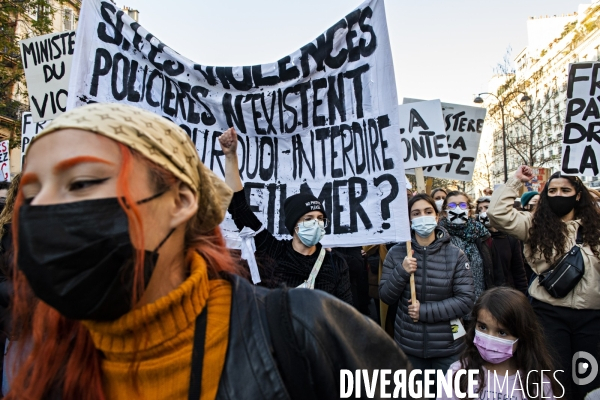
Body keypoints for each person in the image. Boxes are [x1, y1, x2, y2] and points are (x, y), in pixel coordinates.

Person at [6, 103, 413, 400]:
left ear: (180, 200)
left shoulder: (303, 327)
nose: (42, 209)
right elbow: (239, 205)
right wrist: (231, 158)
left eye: (80, 183)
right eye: (30, 193)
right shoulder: (43, 363)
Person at [488, 167, 600, 400]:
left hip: (591, 319)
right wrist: (515, 181)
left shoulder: (596, 228)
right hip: (549, 315)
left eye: (566, 190)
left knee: (589, 383)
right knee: (555, 380)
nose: (559, 194)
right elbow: (497, 213)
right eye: (553, 190)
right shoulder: (533, 225)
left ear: (578, 195)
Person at [219, 127, 352, 304]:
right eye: (308, 219)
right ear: (294, 224)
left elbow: (346, 313)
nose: (317, 224)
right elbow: (239, 207)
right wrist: (230, 157)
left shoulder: (335, 264)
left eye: (320, 219)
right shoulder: (273, 251)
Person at [380, 194, 474, 393]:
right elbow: (386, 296)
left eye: (428, 212)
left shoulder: (455, 255)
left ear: (437, 217)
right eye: (416, 213)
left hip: (448, 349)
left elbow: (466, 301)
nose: (423, 216)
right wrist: (402, 271)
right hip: (409, 348)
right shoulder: (397, 253)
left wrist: (425, 311)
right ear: (409, 220)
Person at [437, 287, 560, 400]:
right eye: (483, 327)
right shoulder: (459, 374)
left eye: (502, 332)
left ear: (522, 335)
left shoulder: (537, 384)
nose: (489, 339)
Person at [438, 191, 493, 307]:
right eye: (452, 206)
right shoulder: (438, 236)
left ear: (469, 210)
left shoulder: (481, 234)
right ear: (444, 212)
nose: (457, 209)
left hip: (480, 305)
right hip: (452, 307)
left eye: (462, 205)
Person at [476, 196, 528, 294]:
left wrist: (523, 295)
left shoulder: (511, 237)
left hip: (507, 293)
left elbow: (518, 270)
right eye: (480, 209)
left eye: (487, 208)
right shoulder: (477, 238)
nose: (483, 212)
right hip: (485, 294)